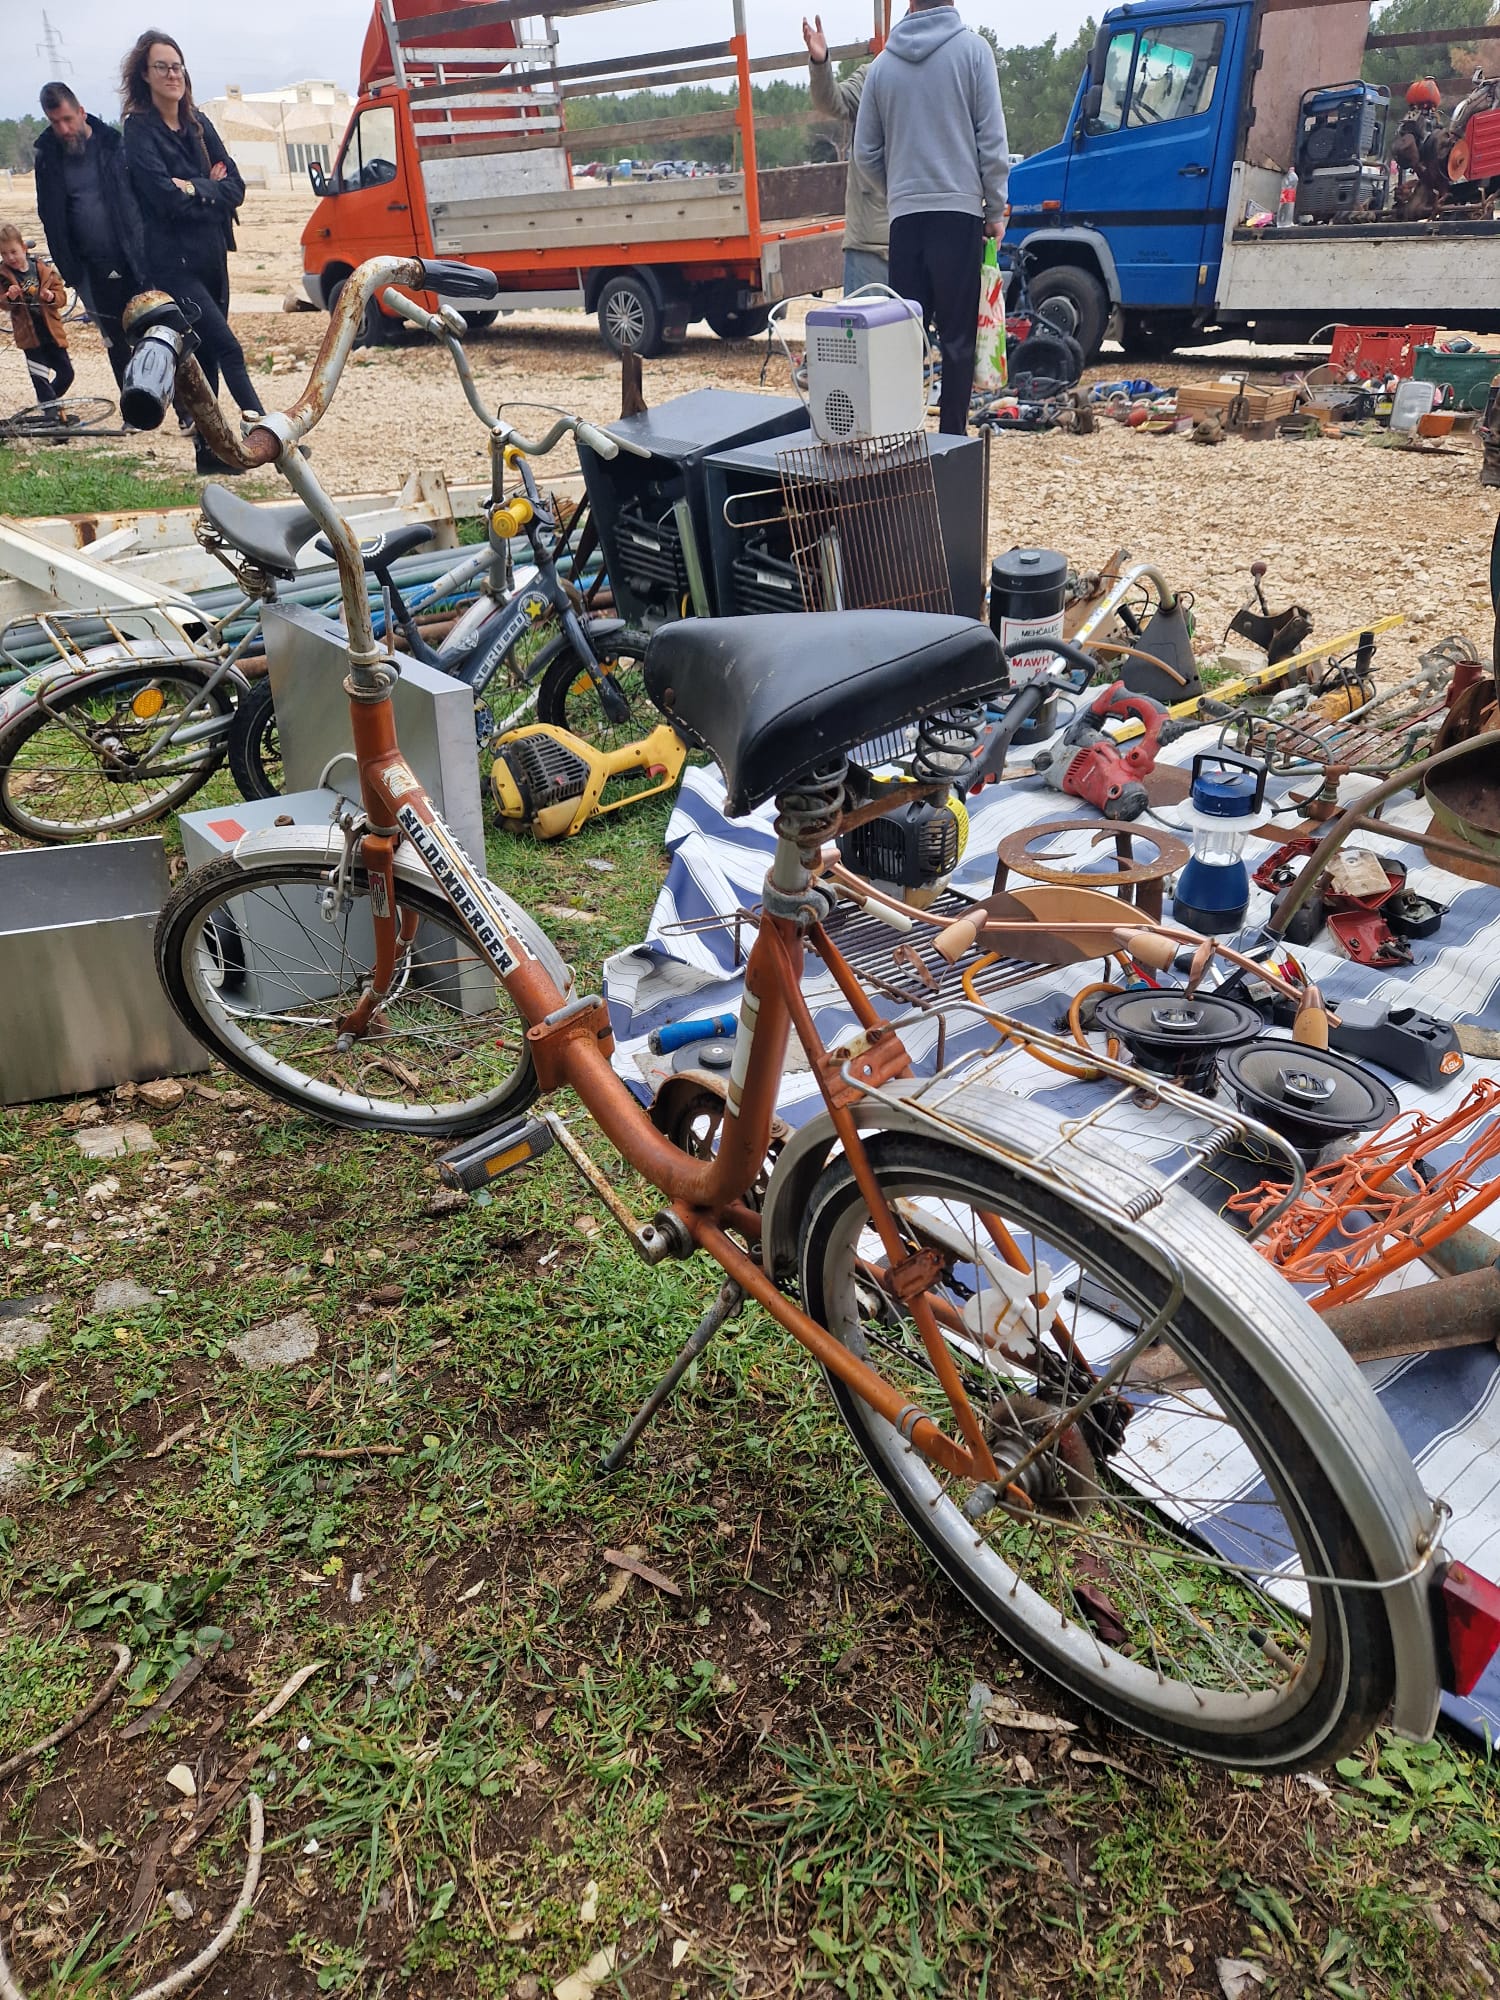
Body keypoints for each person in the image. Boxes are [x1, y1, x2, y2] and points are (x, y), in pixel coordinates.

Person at [853, 0, 1008, 434]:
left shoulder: (882, 68)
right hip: (959, 216)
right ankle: (953, 442)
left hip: (906, 221)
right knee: (958, 340)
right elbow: (992, 140)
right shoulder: (974, 52)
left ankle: (901, 441)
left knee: (905, 339)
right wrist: (995, 208)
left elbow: (864, 153)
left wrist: (899, 191)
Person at [120, 28, 263, 474]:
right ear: (145, 75)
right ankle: (270, 435)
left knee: (206, 357)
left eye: (177, 66)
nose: (172, 75)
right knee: (228, 348)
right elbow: (163, 198)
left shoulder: (199, 124)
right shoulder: (138, 130)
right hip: (173, 265)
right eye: (161, 67)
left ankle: (210, 454)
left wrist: (193, 188)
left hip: (213, 257)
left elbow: (236, 188)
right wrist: (208, 189)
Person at [32, 82, 147, 389]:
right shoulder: (47, 157)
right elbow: (49, 216)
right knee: (115, 341)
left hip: (132, 258)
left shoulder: (113, 144)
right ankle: (134, 406)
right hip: (89, 267)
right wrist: (70, 269)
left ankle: (174, 405)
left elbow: (137, 199)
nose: (63, 129)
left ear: (81, 112)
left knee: (149, 332)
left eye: (68, 119)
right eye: (55, 122)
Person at [802, 14, 888, 293]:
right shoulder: (874, 76)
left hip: (919, 240)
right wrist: (820, 63)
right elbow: (833, 101)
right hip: (871, 247)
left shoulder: (942, 80)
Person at [1, 224, 75, 405]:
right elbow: (3, 304)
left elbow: (62, 298)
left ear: (24, 248)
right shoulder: (3, 275)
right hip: (29, 338)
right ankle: (50, 410)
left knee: (67, 374)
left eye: (13, 252)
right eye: (4, 254)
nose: (10, 258)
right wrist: (9, 297)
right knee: (40, 379)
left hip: (52, 333)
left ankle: (48, 403)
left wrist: (51, 297)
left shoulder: (43, 269)